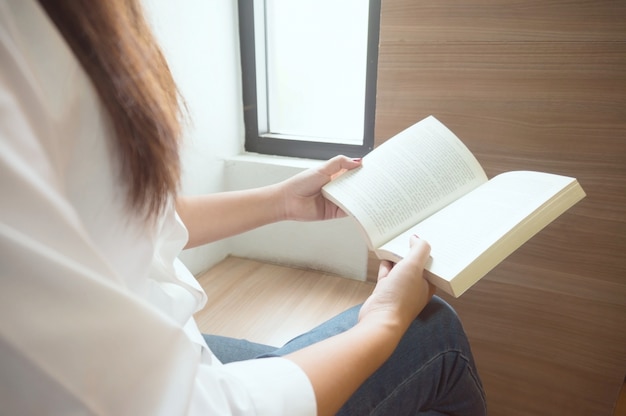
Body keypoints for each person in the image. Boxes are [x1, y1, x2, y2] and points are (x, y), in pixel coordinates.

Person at [0, 0, 486, 414]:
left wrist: (281, 202)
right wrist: (382, 321)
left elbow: (124, 222)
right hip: (151, 388)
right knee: (435, 332)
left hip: (143, 349)